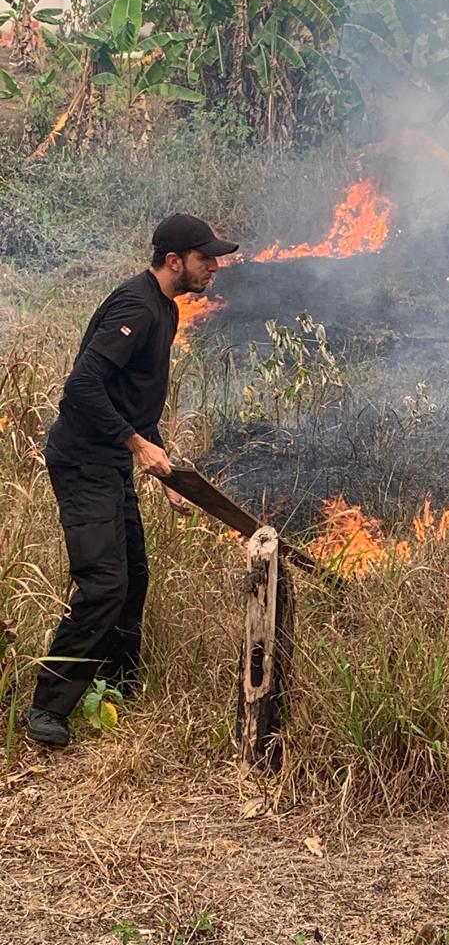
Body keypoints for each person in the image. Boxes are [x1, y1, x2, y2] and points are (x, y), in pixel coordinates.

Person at [23, 214, 239, 748]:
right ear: (174, 261)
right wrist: (136, 445)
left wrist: (160, 464)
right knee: (104, 583)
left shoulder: (165, 309)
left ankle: (115, 684)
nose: (214, 266)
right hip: (82, 460)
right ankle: (47, 707)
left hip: (110, 459)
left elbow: (133, 398)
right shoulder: (136, 307)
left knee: (133, 575)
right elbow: (82, 385)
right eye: (205, 257)